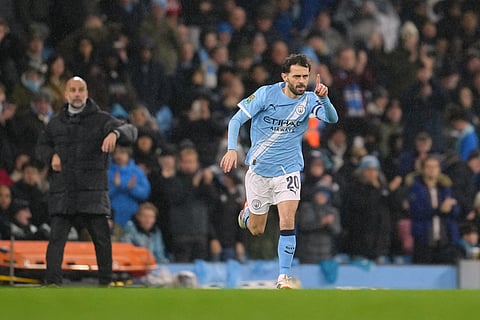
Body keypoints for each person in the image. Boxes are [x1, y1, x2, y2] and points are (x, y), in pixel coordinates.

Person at [220, 54, 339, 289]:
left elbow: (332, 118)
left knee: (287, 219)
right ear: (285, 77)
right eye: (297, 76)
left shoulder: (308, 100)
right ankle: (246, 214)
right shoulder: (265, 94)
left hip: (289, 170)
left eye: (305, 76)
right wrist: (232, 149)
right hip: (259, 171)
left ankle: (283, 277)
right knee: (257, 229)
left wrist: (324, 99)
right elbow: (235, 120)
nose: (301, 81)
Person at [36, 76, 138, 286]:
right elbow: (41, 147)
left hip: (92, 193)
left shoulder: (102, 119)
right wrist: (51, 156)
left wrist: (116, 133)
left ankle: (105, 282)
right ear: (66, 94)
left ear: (86, 93)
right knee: (56, 240)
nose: (76, 94)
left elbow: (131, 131)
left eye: (80, 90)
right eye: (72, 90)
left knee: (102, 240)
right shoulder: (55, 123)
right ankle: (53, 283)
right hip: (64, 191)